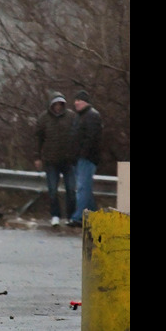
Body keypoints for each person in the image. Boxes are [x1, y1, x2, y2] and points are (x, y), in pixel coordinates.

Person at [34, 92, 76, 226]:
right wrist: (37, 157)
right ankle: (55, 216)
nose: (58, 107)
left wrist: (77, 154)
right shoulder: (43, 118)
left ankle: (71, 216)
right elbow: (38, 139)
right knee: (52, 190)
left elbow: (77, 135)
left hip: (68, 160)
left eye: (60, 104)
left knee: (71, 189)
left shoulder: (71, 117)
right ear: (51, 105)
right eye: (55, 104)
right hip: (51, 160)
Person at [68, 90, 103, 228]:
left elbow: (91, 138)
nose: (76, 102)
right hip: (79, 158)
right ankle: (94, 216)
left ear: (86, 102)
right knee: (85, 188)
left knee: (82, 188)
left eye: (79, 100)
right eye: (75, 100)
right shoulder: (80, 116)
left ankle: (79, 218)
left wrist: (83, 153)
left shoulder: (92, 116)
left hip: (87, 158)